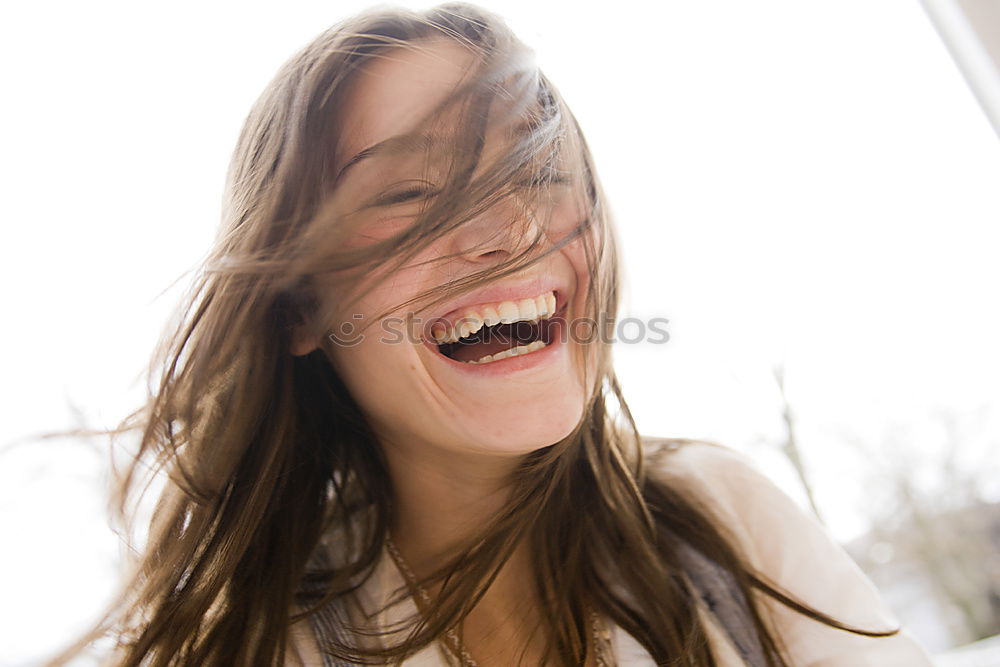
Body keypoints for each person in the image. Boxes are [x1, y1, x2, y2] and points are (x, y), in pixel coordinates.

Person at [50, 3, 933, 666]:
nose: (510, 229)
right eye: (407, 192)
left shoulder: (720, 517)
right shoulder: (256, 642)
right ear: (295, 308)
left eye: (537, 168)